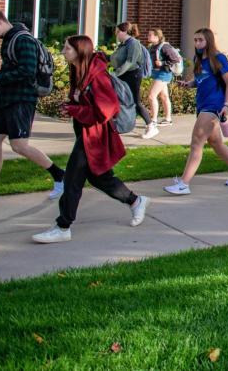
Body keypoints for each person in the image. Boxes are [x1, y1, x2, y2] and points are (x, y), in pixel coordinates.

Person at [32, 35, 148, 243]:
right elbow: (80, 99)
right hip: (86, 132)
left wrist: (75, 109)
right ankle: (135, 201)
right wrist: (71, 107)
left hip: (95, 136)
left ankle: (63, 226)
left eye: (67, 48)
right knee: (99, 178)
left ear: (80, 51)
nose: (63, 52)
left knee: (72, 179)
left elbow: (107, 109)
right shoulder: (78, 70)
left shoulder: (97, 76)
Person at [0, 8, 64, 206]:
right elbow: (15, 67)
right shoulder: (10, 39)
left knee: (19, 146)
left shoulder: (23, 40)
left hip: (21, 100)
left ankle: (60, 176)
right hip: (5, 99)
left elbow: (27, 71)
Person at [163, 28, 228, 195]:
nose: (197, 43)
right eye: (195, 40)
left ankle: (184, 184)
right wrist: (189, 84)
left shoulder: (219, 58)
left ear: (208, 40)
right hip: (202, 104)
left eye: (200, 40)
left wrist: (226, 105)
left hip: (213, 106)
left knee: (196, 142)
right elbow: (201, 79)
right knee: (215, 142)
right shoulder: (199, 58)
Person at [110, 21, 156, 139]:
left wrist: (115, 73)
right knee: (119, 100)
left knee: (135, 102)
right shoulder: (124, 44)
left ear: (124, 32)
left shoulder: (133, 43)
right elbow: (115, 58)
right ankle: (119, 124)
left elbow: (130, 62)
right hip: (124, 75)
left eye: (118, 32)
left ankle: (151, 126)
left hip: (133, 76)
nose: (116, 35)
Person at [146, 28, 180, 126]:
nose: (148, 36)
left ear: (157, 37)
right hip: (157, 74)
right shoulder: (152, 46)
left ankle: (153, 120)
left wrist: (162, 63)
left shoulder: (165, 46)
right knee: (164, 96)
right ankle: (168, 119)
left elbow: (176, 59)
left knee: (151, 96)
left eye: (150, 35)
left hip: (163, 74)